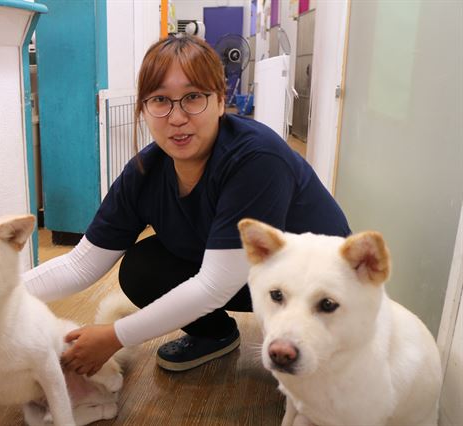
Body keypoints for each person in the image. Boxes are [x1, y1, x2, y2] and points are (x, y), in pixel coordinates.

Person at [23, 34, 350, 375]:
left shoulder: (255, 158)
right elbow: (79, 265)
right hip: (248, 278)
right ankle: (215, 335)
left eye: (193, 97)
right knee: (142, 268)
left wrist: (114, 337)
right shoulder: (144, 173)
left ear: (221, 101)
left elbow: (215, 284)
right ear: (144, 109)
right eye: (160, 100)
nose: (177, 117)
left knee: (321, 388)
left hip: (318, 290)